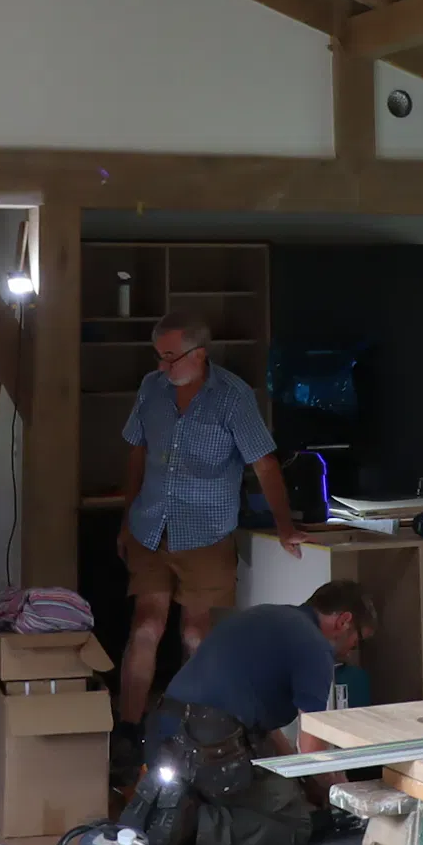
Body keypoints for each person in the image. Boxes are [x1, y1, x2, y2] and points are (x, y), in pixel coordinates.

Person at [114, 310, 303, 727]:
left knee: (198, 636)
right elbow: (137, 451)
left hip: (207, 533)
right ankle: (127, 731)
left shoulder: (233, 397)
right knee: (146, 626)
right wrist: (127, 520)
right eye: (158, 356)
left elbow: (265, 465)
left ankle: (197, 731)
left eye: (169, 357)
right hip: (151, 529)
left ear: (198, 355)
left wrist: (285, 527)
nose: (161, 366)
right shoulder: (152, 388)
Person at [123, 584, 375, 845]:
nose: (351, 652)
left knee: (286, 792)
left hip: (165, 738)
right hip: (208, 750)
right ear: (343, 621)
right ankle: (193, 825)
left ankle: (175, 803)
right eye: (357, 641)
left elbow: (269, 731)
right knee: (298, 820)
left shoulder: (265, 616)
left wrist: (302, 781)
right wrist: (343, 799)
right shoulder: (315, 647)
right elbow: (311, 747)